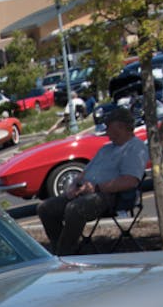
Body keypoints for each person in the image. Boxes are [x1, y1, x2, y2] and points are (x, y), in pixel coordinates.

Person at [36, 107, 148, 256]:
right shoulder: (106, 149)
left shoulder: (135, 148)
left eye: (109, 128)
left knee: (75, 208)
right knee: (45, 208)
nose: (106, 132)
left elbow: (130, 181)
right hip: (85, 191)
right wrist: (74, 184)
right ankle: (58, 247)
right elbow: (85, 171)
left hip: (111, 195)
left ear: (121, 127)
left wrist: (96, 188)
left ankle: (65, 253)